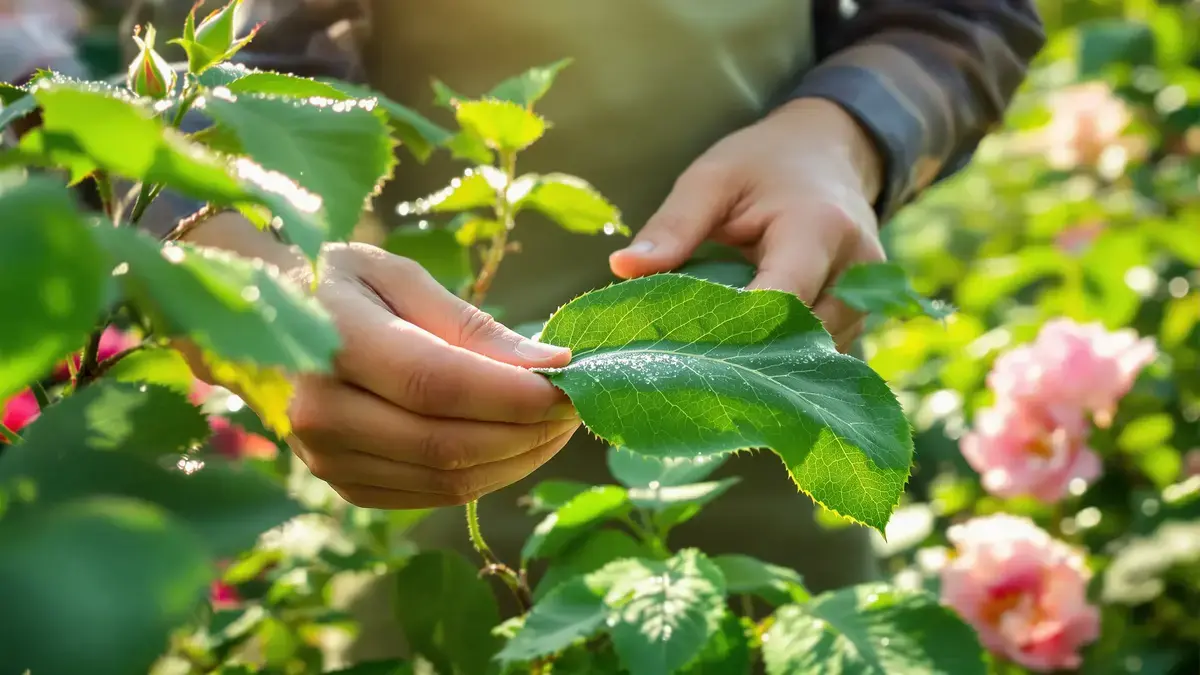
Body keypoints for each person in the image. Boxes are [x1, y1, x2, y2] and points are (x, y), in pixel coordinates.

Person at [142, 0, 1044, 656]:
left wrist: (839, 133)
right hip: (426, 480)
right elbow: (246, 64)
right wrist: (259, 279)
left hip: (778, 446)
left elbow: (965, 14)